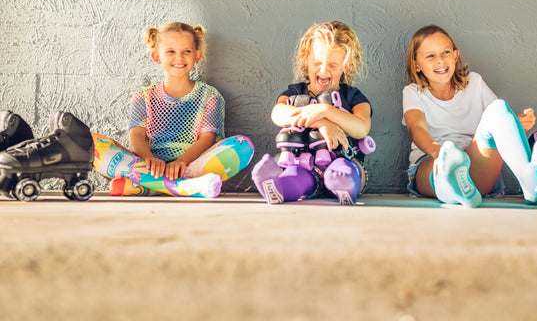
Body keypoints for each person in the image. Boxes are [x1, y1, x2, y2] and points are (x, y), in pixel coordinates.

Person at [402, 24, 537, 207]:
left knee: (499, 107)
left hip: (475, 164)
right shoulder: (413, 92)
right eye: (430, 56)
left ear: (455, 56)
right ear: (417, 65)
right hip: (432, 161)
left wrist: (516, 124)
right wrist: (439, 153)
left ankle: (529, 179)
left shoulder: (474, 82)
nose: (440, 60)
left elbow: (496, 123)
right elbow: (417, 128)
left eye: (445, 52)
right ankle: (455, 187)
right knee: (440, 167)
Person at [92, 22, 254, 198]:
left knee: (242, 145)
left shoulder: (210, 96)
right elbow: (136, 137)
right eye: (171, 51)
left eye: (187, 51)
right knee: (91, 144)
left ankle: (147, 187)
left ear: (197, 55)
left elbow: (207, 139)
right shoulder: (143, 96)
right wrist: (150, 160)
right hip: (149, 166)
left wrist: (182, 161)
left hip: (191, 166)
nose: (179, 57)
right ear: (157, 56)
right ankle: (185, 187)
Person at [251, 21, 372, 205]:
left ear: (346, 66)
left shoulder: (352, 96)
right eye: (317, 62)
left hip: (344, 161)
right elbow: (278, 113)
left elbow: (362, 128)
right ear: (306, 61)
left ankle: (343, 186)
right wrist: (321, 122)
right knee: (295, 176)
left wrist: (325, 109)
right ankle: (278, 188)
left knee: (345, 170)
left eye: (333, 65)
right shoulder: (295, 93)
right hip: (304, 166)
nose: (323, 70)